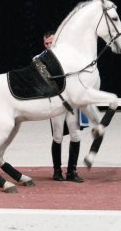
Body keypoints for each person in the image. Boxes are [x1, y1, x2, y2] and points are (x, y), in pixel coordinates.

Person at [42, 31, 84, 183]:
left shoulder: (69, 58)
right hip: (56, 103)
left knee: (76, 135)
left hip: (72, 103)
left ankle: (72, 171)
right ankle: (57, 170)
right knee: (57, 136)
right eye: (46, 43)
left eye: (51, 42)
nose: (48, 46)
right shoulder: (41, 60)